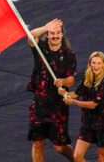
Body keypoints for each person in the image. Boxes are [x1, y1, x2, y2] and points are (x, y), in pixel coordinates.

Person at [27, 18, 77, 162]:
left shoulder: (69, 54)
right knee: (38, 143)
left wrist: (63, 81)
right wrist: (45, 27)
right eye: (51, 33)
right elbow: (30, 37)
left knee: (60, 147)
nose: (55, 36)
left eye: (58, 33)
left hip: (58, 106)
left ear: (62, 35)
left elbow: (72, 80)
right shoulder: (40, 48)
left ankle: (77, 159)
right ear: (47, 35)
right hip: (39, 104)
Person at [61, 51, 104, 162]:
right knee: (77, 156)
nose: (96, 66)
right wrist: (63, 92)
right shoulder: (88, 78)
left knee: (102, 158)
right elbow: (76, 94)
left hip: (103, 125)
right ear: (90, 63)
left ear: (103, 64)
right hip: (88, 123)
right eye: (93, 63)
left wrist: (74, 102)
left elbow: (93, 104)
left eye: (98, 63)